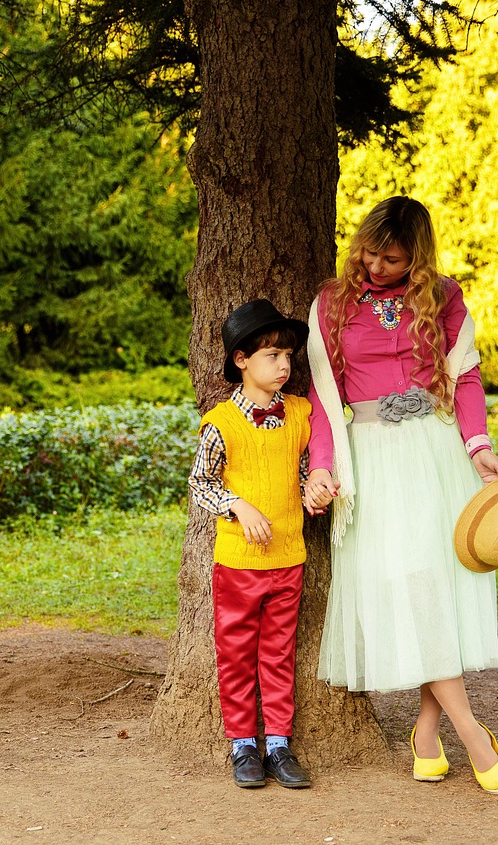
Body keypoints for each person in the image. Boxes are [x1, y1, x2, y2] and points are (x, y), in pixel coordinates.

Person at [303, 196, 498, 795]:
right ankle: (472, 734)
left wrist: (477, 446)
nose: (374, 264)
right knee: (408, 582)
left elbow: (465, 376)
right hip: (373, 458)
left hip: (438, 450)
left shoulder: (446, 295)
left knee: (438, 584)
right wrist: (323, 468)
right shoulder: (332, 303)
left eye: (391, 258)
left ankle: (427, 735)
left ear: (416, 257)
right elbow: (323, 400)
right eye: (369, 251)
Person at [188, 299, 315, 790]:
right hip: (238, 562)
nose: (283, 365)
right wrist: (239, 506)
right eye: (271, 356)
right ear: (241, 360)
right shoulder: (222, 422)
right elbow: (202, 483)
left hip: (289, 558)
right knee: (237, 653)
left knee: (279, 653)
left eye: (288, 356)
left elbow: (305, 471)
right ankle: (243, 745)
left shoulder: (300, 415)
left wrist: (313, 491)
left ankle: (279, 744)